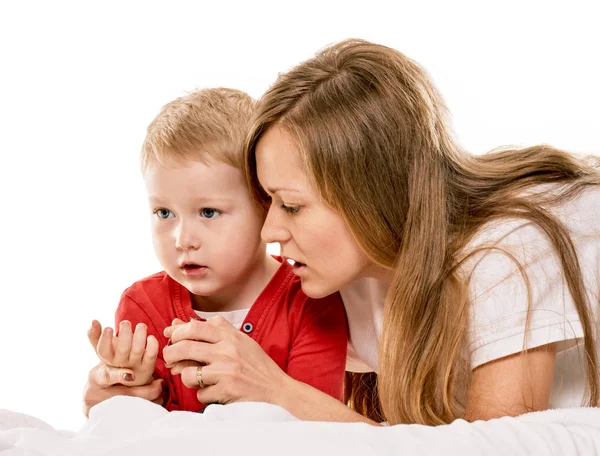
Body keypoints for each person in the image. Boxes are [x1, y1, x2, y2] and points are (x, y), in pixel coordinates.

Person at [160, 39, 600, 426]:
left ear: (372, 195)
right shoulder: (347, 281)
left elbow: (495, 448)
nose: (271, 230)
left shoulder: (507, 252)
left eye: (292, 206)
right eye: (268, 202)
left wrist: (279, 392)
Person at [83, 88, 348, 415]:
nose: (182, 239)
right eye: (164, 213)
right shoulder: (142, 306)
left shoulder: (312, 304)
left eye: (208, 212)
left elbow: (322, 429)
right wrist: (133, 396)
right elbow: (147, 432)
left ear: (266, 206)